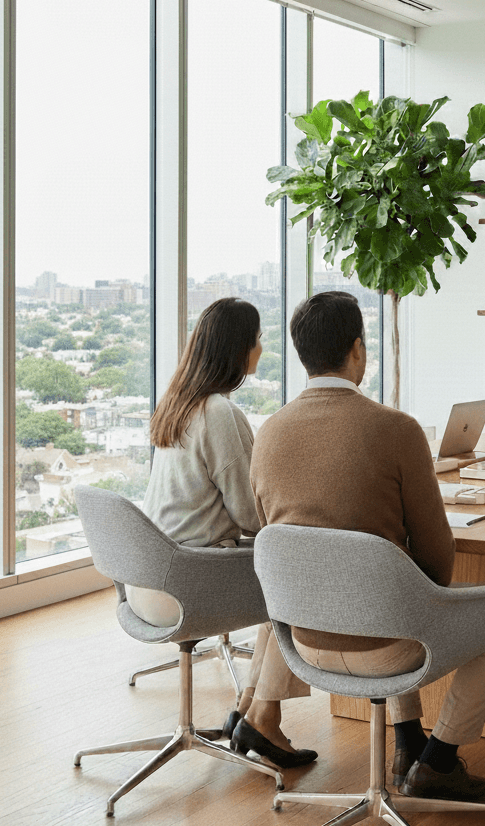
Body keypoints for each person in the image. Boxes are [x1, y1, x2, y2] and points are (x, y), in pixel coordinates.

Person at [250, 291, 485, 802]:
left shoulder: (267, 434)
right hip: (388, 647)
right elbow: (436, 556)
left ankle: (409, 739)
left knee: (390, 591)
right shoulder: (396, 429)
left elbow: (276, 540)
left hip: (304, 642)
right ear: (358, 350)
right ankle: (439, 760)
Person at [136, 296, 317, 768]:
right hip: (188, 584)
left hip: (146, 580)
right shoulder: (219, 413)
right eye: (257, 339)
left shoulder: (178, 404)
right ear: (241, 349)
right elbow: (250, 512)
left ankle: (248, 710)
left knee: (280, 570)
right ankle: (263, 718)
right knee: (296, 571)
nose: (261, 348)